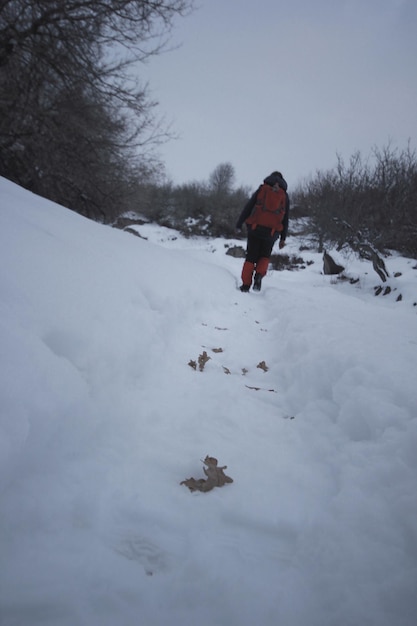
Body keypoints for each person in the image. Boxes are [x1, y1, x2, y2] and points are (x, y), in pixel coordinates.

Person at [236, 171, 290, 292]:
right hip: (271, 233)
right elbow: (285, 219)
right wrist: (283, 238)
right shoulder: (284, 196)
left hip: (255, 229)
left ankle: (245, 285)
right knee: (264, 256)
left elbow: (249, 207)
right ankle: (259, 276)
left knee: (251, 257)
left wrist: (239, 223)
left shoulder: (262, 189)